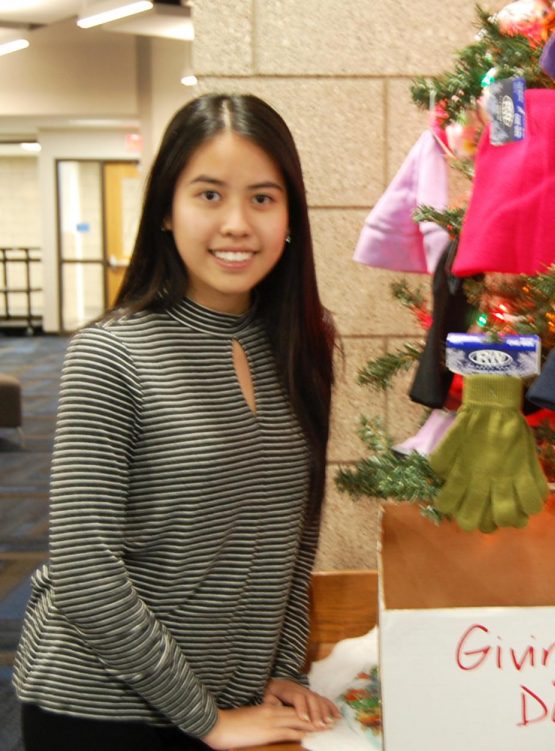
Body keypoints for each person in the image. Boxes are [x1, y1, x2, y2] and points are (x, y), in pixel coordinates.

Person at [13, 93, 340, 750]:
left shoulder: (300, 349)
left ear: (290, 217)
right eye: (209, 195)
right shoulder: (111, 354)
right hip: (102, 708)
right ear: (166, 209)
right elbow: (84, 569)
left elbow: (295, 535)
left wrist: (280, 669)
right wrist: (207, 717)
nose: (237, 224)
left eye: (263, 198)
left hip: (227, 704)